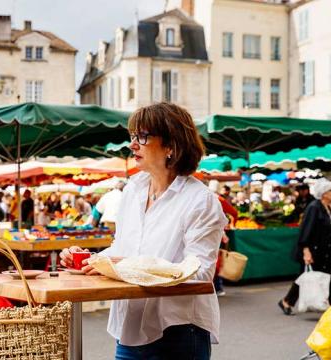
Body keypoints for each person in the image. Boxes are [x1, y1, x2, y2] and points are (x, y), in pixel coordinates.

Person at [60, 103, 227, 359]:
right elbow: (124, 249)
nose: (133, 144)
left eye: (143, 136)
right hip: (129, 327)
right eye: (133, 136)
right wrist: (92, 259)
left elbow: (201, 272)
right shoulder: (133, 190)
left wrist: (125, 264)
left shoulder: (200, 200)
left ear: (171, 145)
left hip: (177, 329)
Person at [279, 179, 331, 315]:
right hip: (315, 251)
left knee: (328, 277)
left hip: (327, 251)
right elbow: (306, 230)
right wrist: (306, 251)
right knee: (309, 276)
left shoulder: (328, 208)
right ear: (324, 193)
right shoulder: (314, 207)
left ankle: (288, 301)